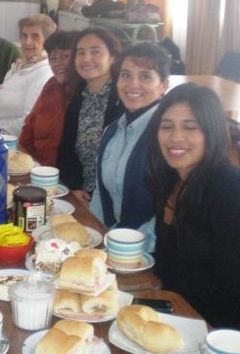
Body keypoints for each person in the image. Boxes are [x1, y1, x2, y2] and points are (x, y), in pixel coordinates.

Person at [146, 83, 240, 354]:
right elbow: (168, 259)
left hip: (229, 336)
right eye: (166, 126)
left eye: (190, 127)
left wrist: (167, 310)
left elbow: (228, 294)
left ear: (212, 132)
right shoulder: (170, 178)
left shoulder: (231, 191)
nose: (175, 138)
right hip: (182, 310)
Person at [89, 43, 170, 252]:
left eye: (145, 76)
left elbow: (170, 211)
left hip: (149, 252)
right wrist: (93, 236)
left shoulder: (167, 136)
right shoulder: (112, 130)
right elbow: (100, 192)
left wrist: (126, 249)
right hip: (111, 243)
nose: (132, 84)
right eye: (125, 75)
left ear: (163, 85)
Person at [56, 27, 124, 200]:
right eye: (81, 52)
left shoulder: (123, 99)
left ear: (112, 57)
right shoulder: (78, 98)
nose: (86, 59)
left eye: (95, 52)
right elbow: (66, 151)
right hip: (80, 194)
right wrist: (74, 189)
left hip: (111, 198)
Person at [0, 14, 56, 137]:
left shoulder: (44, 72)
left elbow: (28, 120)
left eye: (35, 36)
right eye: (24, 36)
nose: (27, 42)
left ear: (48, 41)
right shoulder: (19, 66)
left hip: (13, 143)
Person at [19, 30, 77, 166]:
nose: (57, 63)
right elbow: (28, 129)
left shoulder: (82, 93)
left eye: (65, 56)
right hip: (36, 167)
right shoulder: (51, 86)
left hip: (61, 176)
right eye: (53, 58)